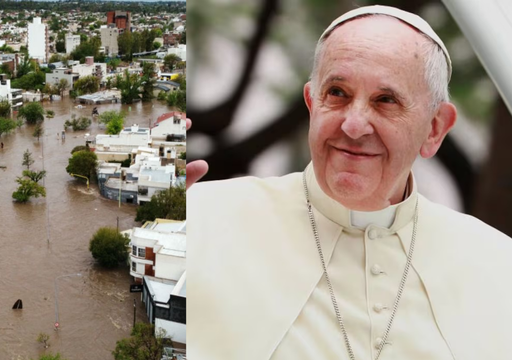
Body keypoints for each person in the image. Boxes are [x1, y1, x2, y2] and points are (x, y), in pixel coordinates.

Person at [187, 5, 512, 360]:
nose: (354, 125)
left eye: (386, 100)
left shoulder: (498, 265)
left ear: (434, 129)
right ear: (313, 104)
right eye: (338, 93)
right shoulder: (202, 217)